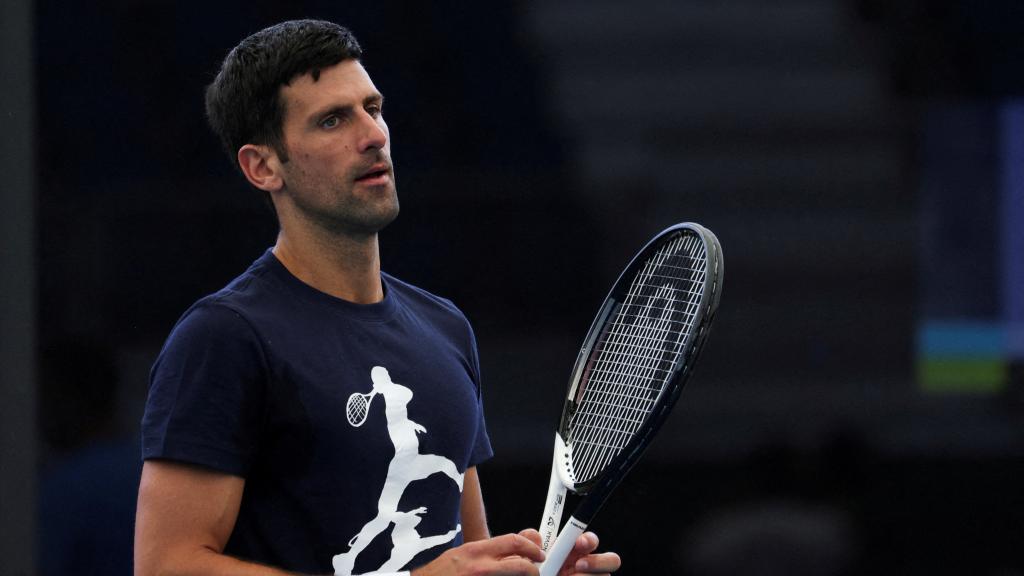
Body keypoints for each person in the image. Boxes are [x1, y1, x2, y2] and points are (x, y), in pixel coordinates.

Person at [134, 19, 621, 576]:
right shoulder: (224, 336)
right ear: (262, 166)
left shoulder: (445, 328)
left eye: (373, 108)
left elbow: (462, 553)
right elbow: (164, 565)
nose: (373, 135)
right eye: (333, 120)